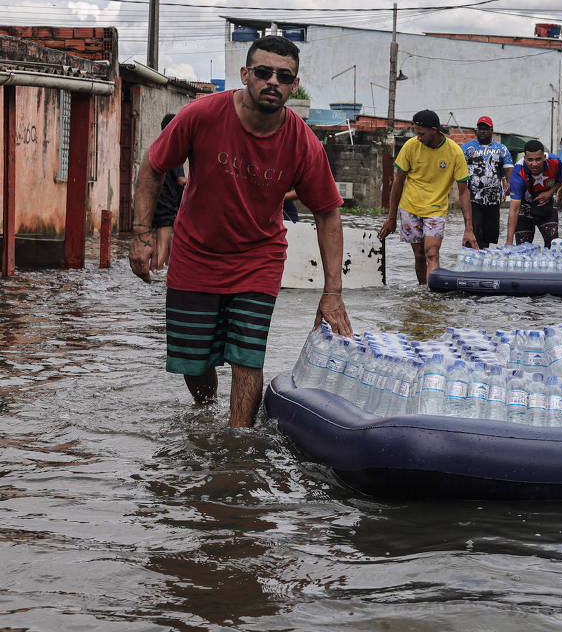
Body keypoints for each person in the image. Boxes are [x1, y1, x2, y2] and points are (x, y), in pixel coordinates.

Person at [128, 34, 352, 427]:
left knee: (247, 356)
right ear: (246, 74)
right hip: (195, 253)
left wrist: (331, 293)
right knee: (193, 362)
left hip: (258, 257)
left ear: (293, 85)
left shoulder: (302, 141)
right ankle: (205, 413)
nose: (273, 82)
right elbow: (152, 166)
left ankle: (239, 445)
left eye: (284, 76)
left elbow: (328, 213)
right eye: (264, 72)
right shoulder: (202, 114)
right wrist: (143, 235)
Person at [378, 109, 476, 285]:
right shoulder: (411, 146)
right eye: (416, 133)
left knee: (432, 253)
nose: (419, 137)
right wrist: (391, 217)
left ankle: (433, 295)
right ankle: (423, 293)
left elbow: (463, 191)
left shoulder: (454, 152)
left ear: (434, 130)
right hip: (410, 208)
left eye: (421, 133)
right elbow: (398, 183)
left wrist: (468, 228)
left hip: (436, 210)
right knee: (419, 255)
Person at [460, 115, 513, 248]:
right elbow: (458, 169)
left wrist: (509, 184)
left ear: (492, 130)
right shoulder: (466, 148)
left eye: (486, 128)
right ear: (476, 130)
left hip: (493, 199)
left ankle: (482, 262)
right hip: (472, 198)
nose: (483, 131)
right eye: (480, 128)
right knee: (472, 234)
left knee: (487, 237)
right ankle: (470, 260)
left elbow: (508, 169)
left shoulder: (502, 149)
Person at [505, 139, 562, 246]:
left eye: (538, 159)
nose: (534, 164)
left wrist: (550, 193)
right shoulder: (518, 172)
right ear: (524, 159)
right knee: (523, 247)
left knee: (553, 244)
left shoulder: (555, 162)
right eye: (530, 160)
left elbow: (561, 179)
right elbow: (514, 209)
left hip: (546, 203)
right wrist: (509, 241)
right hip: (524, 206)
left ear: (544, 158)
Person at [150, 113, 187, 271]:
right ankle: (155, 273)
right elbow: (180, 180)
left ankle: (164, 270)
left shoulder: (159, 147)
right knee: (163, 245)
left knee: (167, 242)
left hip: (159, 202)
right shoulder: (173, 149)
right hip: (167, 204)